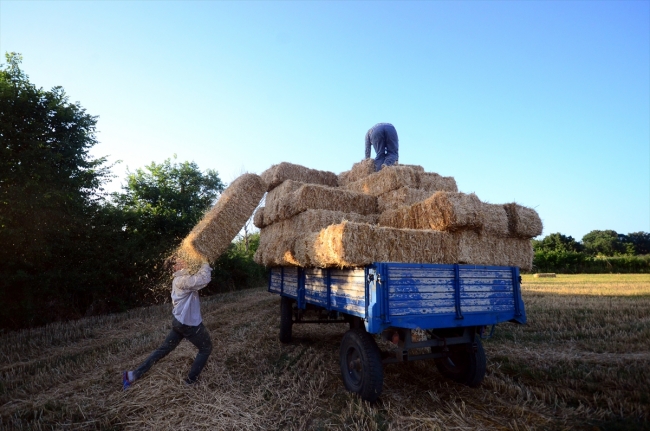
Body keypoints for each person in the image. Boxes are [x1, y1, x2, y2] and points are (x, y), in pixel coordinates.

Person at [122, 255, 213, 388]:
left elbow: (196, 278)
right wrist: (205, 261)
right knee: (206, 348)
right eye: (178, 261)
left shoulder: (181, 279)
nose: (183, 260)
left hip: (178, 323)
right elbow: (204, 279)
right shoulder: (181, 280)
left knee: (163, 350)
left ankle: (132, 375)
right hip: (188, 324)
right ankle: (190, 382)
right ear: (174, 267)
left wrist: (198, 262)